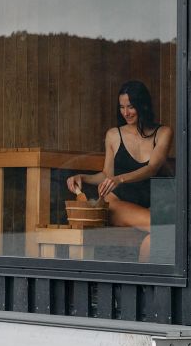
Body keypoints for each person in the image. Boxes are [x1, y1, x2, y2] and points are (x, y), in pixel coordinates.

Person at [66, 80, 173, 262]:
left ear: (142, 105)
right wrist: (82, 177)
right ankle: (144, 281)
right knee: (164, 230)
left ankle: (142, 283)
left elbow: (152, 168)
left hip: (150, 205)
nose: (125, 113)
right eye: (122, 107)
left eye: (131, 107)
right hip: (116, 203)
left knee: (160, 236)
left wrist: (120, 179)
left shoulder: (163, 132)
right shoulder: (114, 135)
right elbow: (107, 175)